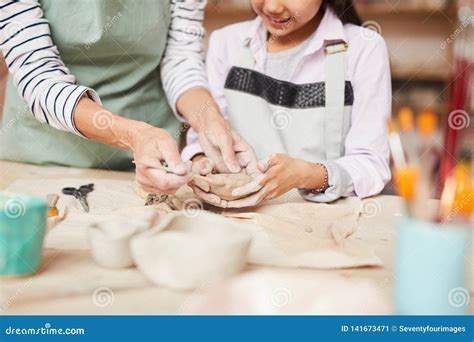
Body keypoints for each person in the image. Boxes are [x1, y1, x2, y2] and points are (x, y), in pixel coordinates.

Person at [0, 0, 257, 194]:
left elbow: (181, 57)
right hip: (41, 156)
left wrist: (209, 118)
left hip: (149, 159)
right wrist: (133, 135)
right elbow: (38, 75)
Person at [184, 0, 392, 207]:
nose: (273, 7)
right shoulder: (226, 43)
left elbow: (371, 163)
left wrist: (307, 175)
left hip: (318, 220)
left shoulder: (364, 48)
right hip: (241, 217)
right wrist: (202, 161)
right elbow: (203, 137)